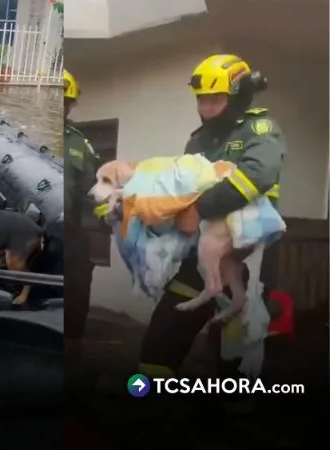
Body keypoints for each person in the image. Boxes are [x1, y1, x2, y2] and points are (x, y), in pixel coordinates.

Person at [138, 55, 283, 390]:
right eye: (201, 100)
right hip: (201, 250)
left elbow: (257, 175)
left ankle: (235, 404)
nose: (206, 108)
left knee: (240, 339)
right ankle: (147, 389)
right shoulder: (198, 140)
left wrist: (200, 208)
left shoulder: (260, 129)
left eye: (215, 99)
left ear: (238, 97)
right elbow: (183, 186)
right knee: (169, 322)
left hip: (251, 250)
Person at [61, 69, 101, 341]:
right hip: (38, 225)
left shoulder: (80, 143)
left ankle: (73, 347)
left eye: (65, 102)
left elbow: (94, 187)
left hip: (72, 232)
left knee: (77, 289)